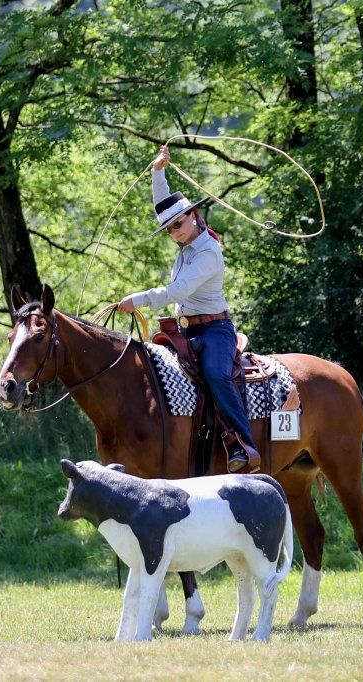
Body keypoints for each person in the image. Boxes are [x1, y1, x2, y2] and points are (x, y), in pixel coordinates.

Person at [117, 145, 260, 473]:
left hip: (215, 331)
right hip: (186, 330)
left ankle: (243, 444)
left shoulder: (208, 252)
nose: (174, 232)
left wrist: (138, 299)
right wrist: (158, 172)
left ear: (194, 215)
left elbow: (178, 290)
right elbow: (163, 205)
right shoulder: (187, 240)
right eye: (169, 229)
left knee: (216, 375)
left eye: (177, 224)